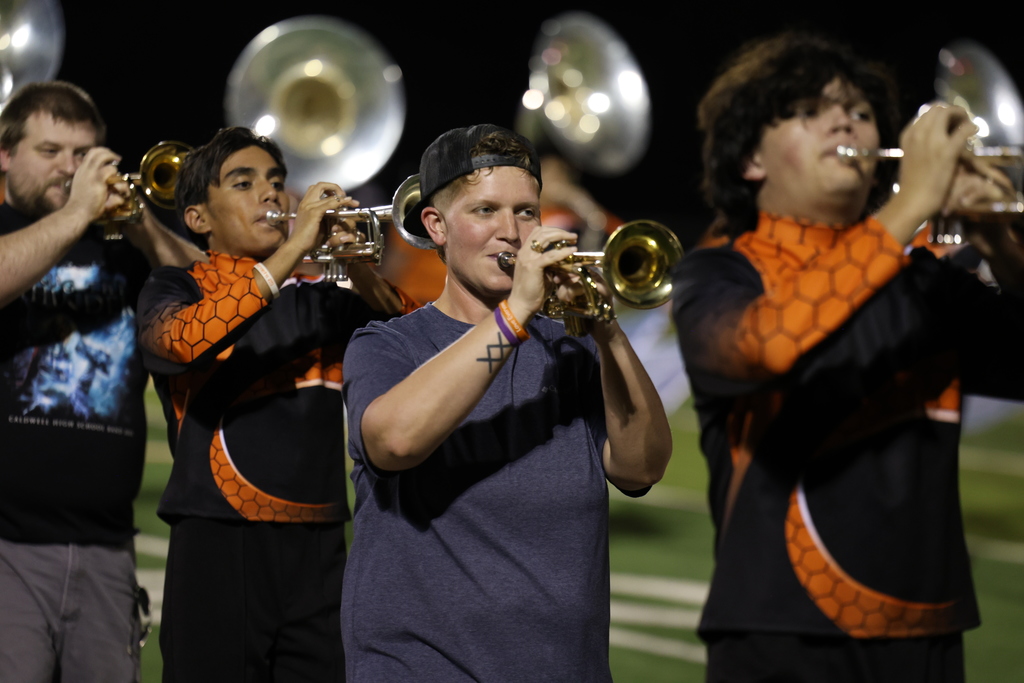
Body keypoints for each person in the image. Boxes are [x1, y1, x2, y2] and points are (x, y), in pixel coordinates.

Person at [671, 32, 1024, 682]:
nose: (845, 119)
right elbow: (764, 346)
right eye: (809, 109)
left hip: (929, 633)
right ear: (750, 157)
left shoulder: (925, 282)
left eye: (860, 111)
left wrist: (1000, 241)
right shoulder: (718, 274)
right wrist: (911, 202)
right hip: (781, 631)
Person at [340, 123, 672, 681]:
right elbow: (395, 441)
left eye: (525, 212)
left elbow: (642, 466)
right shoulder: (387, 345)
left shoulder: (573, 352)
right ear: (436, 226)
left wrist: (608, 330)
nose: (511, 232)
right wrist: (516, 314)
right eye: (485, 211)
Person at [136, 126, 415, 682]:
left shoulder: (322, 300)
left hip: (322, 546)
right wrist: (294, 250)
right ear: (197, 218)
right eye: (244, 183)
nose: (272, 194)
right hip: (218, 538)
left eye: (277, 182)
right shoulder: (177, 286)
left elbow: (411, 339)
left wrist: (355, 262)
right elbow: (179, 341)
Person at [0, 80, 204, 682]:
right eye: (50, 151)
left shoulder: (122, 246)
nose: (69, 168)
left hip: (107, 547)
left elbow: (216, 297)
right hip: (8, 548)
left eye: (83, 154)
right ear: (5, 155)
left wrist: (142, 226)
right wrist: (77, 213)